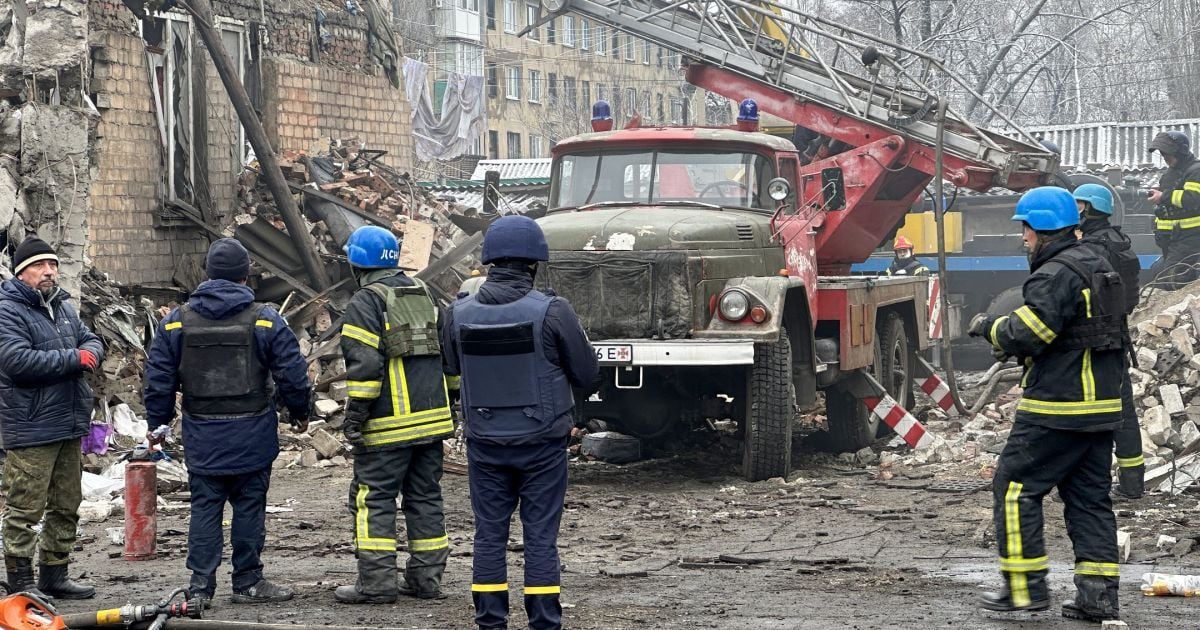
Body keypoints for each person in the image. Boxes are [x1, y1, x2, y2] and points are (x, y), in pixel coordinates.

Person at [967, 187, 1124, 622]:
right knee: (1089, 500)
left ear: (1041, 229)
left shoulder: (1055, 274)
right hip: (1102, 407)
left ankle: (1023, 590)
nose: (1023, 239)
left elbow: (1028, 334)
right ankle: (1098, 598)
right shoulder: (1099, 265)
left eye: (1025, 229)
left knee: (1015, 490)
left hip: (1059, 406)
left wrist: (991, 328)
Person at [441, 216, 599, 630]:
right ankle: (544, 622)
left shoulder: (456, 314)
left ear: (489, 261)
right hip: (543, 445)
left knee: (488, 534)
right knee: (540, 536)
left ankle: (490, 622)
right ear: (535, 263)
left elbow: (451, 367)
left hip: (485, 444)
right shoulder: (553, 310)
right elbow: (585, 373)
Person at [144, 238, 312, 606]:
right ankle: (248, 582)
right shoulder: (265, 318)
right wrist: (300, 412)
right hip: (252, 431)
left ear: (208, 274)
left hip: (202, 433)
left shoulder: (176, 323)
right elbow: (292, 373)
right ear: (244, 275)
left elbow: (158, 377)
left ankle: (201, 586)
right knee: (249, 506)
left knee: (205, 506)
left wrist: (157, 423)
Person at [334, 225, 456, 604]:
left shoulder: (366, 302)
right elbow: (450, 358)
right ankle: (426, 580)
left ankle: (376, 584)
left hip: (388, 427)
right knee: (425, 497)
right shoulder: (425, 293)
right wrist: (452, 405)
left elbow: (365, 365)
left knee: (374, 500)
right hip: (433, 421)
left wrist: (355, 415)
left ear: (357, 264)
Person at [0, 236, 103, 600]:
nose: (49, 271)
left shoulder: (62, 306)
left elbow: (92, 340)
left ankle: (54, 574)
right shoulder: (7, 309)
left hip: (68, 421)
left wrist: (87, 351)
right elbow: (16, 361)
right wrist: (75, 359)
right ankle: (21, 582)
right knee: (24, 507)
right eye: (40, 266)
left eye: (53, 264)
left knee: (67, 503)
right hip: (31, 427)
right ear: (21, 272)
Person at [1074, 184, 1144, 498]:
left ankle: (1090, 484)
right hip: (1117, 337)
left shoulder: (1090, 250)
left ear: (1087, 208)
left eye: (1077, 205)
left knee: (1091, 415)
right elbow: (1128, 298)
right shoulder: (1121, 244)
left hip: (1092, 341)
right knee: (1124, 413)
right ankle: (1132, 485)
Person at [1147, 131, 1200, 289]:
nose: (1164, 157)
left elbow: (1193, 198)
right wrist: (1160, 191)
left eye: (1167, 153)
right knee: (1161, 274)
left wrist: (1163, 196)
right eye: (1162, 154)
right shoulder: (1173, 172)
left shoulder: (1195, 171)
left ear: (1181, 152)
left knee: (1170, 281)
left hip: (1189, 237)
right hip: (1172, 239)